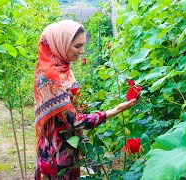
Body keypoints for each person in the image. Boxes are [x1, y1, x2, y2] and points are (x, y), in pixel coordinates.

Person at [34, 20, 138, 179]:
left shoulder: (61, 68)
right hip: (57, 153)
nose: (82, 51)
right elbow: (75, 121)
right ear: (60, 43)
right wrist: (116, 110)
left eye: (83, 45)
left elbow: (73, 106)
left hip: (66, 145)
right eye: (77, 46)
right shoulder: (52, 77)